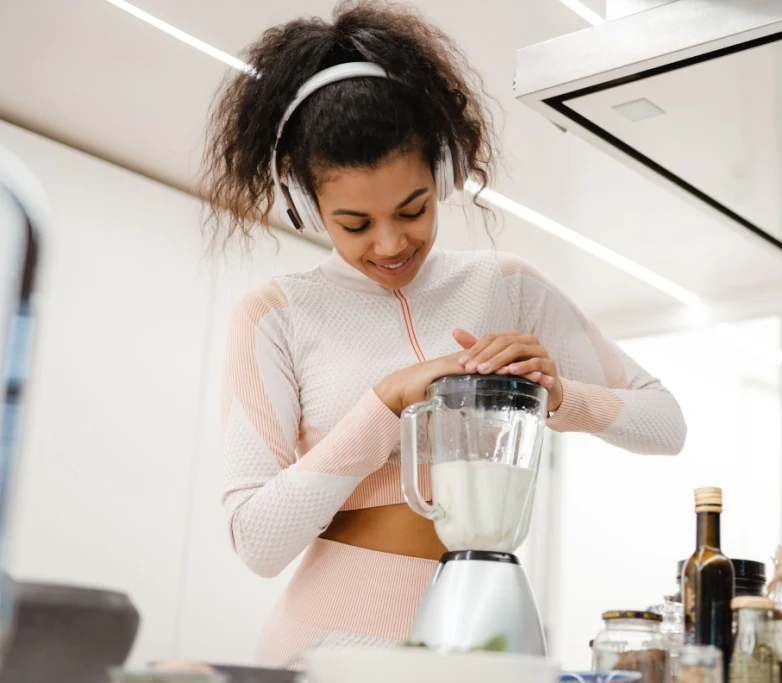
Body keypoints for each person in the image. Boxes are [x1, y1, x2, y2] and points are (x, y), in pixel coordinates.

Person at [200, 0, 686, 667]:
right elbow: (257, 540)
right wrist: (386, 399)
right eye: (355, 223)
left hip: (491, 631)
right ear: (309, 208)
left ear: (447, 172)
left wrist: (558, 394)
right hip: (335, 642)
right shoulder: (275, 316)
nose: (391, 242)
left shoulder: (506, 286)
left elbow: (666, 422)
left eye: (413, 208)